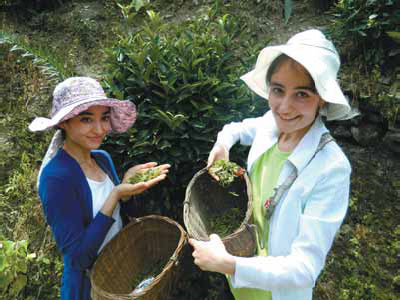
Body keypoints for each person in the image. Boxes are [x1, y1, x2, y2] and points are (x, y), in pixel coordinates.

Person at [188, 29, 354, 300]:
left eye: (302, 94)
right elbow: (239, 128)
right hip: (241, 284)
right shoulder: (272, 123)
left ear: (321, 98)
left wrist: (227, 263)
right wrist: (223, 143)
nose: (284, 107)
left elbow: (304, 268)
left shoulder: (331, 168)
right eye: (278, 90)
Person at [29, 77, 170, 300]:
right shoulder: (56, 178)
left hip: (121, 275)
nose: (99, 129)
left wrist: (127, 188)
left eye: (104, 118)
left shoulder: (102, 159)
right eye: (86, 119)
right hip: (88, 289)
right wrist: (115, 195)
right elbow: (78, 258)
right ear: (64, 123)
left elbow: (119, 215)